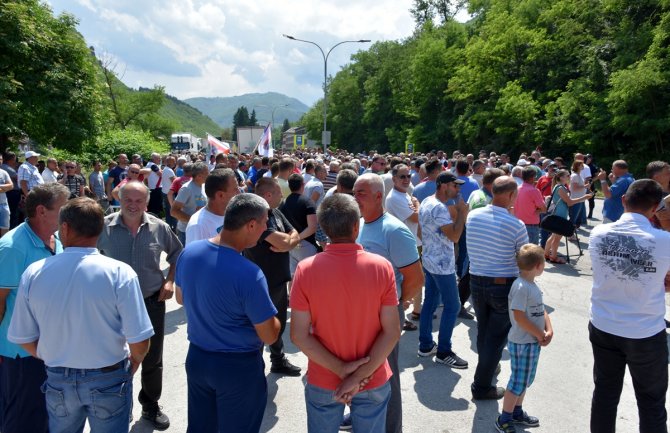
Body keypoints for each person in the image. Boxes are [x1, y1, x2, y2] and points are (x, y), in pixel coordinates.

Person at [7, 197, 153, 433]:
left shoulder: (34, 273)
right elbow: (140, 338)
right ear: (101, 229)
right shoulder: (120, 273)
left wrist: (50, 355)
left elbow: (22, 337)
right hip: (109, 377)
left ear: (64, 227)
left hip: (58, 379)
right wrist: (133, 363)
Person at [290, 194, 400, 433]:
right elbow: (392, 331)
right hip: (373, 376)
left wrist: (342, 371)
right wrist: (358, 376)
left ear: (324, 229)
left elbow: (299, 335)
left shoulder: (305, 269)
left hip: (324, 376)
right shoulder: (381, 267)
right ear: (356, 226)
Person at [175, 193, 280, 433]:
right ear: (251, 225)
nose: (266, 228)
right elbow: (269, 336)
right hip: (238, 367)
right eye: (265, 223)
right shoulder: (249, 273)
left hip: (198, 358)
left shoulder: (189, 253)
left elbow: (181, 298)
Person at [97, 181, 182, 430]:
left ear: (147, 202)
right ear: (119, 200)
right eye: (128, 200)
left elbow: (178, 255)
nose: (133, 205)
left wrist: (170, 281)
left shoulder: (160, 227)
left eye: (139, 201)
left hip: (151, 302)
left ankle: (150, 405)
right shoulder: (103, 227)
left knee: (152, 357)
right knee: (113, 356)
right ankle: (116, 406)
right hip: (112, 306)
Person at [588, 179, 670, 433]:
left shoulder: (598, 233)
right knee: (651, 401)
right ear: (655, 207)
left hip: (604, 324)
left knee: (605, 392)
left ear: (623, 200)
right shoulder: (664, 240)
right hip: (644, 330)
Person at [353, 173, 424, 433]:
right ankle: (363, 415)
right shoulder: (359, 223)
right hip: (360, 312)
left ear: (379, 196)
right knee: (362, 367)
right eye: (355, 192)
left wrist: (399, 303)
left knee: (386, 374)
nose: (355, 197)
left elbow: (416, 277)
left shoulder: (393, 229)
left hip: (384, 314)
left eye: (361, 193)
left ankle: (392, 428)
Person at [0, 182, 70, 433]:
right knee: (22, 419)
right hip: (20, 354)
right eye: (64, 208)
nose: (68, 213)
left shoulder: (57, 238)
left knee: (46, 416)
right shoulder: (12, 248)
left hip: (51, 349)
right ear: (42, 211)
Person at [466, 176, 528, 400]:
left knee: (484, 331)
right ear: (511, 195)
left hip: (477, 281)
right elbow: (524, 259)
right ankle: (481, 386)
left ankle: (487, 369)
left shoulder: (472, 215)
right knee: (496, 337)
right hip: (501, 284)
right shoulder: (516, 224)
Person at [243, 178, 301, 376]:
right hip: (261, 284)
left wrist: (288, 241)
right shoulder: (257, 219)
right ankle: (254, 369)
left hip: (278, 281)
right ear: (267, 195)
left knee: (278, 324)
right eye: (278, 193)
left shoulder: (275, 212)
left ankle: (278, 360)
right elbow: (286, 241)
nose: (282, 196)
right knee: (260, 328)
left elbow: (294, 234)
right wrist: (288, 242)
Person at [494, 244, 553, 433]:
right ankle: (504, 419)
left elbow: (541, 309)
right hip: (522, 342)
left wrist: (548, 329)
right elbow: (519, 316)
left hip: (533, 340)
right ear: (538, 265)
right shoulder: (521, 287)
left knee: (525, 379)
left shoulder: (532, 285)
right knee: (517, 382)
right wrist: (538, 333)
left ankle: (517, 412)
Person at [417, 172, 469, 368]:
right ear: (444, 185)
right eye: (455, 186)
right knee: (453, 306)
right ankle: (444, 352)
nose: (458, 190)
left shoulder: (427, 201)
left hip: (430, 259)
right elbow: (455, 237)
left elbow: (422, 232)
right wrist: (462, 213)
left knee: (430, 301)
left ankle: (425, 345)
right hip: (441, 264)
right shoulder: (438, 208)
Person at [543, 170, 593, 264]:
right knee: (557, 238)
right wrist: (584, 197)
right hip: (560, 215)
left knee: (553, 236)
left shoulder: (559, 187)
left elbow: (567, 201)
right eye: (567, 175)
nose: (569, 177)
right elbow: (569, 202)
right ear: (561, 177)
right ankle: (553, 257)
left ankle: (546, 254)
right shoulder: (560, 188)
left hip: (559, 214)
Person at [185, 168, 239, 244]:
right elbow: (194, 255)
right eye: (235, 189)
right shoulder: (198, 226)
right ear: (220, 195)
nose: (239, 192)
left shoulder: (232, 214)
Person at [279, 174, 318, 275]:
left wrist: (292, 239)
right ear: (303, 184)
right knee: (308, 276)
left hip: (290, 245)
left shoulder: (283, 203)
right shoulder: (307, 202)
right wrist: (298, 238)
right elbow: (312, 227)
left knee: (293, 276)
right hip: (306, 244)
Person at [172, 162, 209, 246]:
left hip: (199, 230)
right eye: (207, 173)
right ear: (199, 176)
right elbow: (174, 211)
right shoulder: (186, 189)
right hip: (186, 231)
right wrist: (193, 220)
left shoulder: (203, 186)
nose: (209, 175)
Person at [514, 167, 547, 245]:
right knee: (531, 253)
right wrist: (537, 210)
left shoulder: (517, 188)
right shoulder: (534, 191)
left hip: (518, 224)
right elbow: (544, 209)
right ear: (533, 178)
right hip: (531, 226)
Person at [1, 152, 22, 229]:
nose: (15, 161)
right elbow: (18, 179)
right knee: (13, 213)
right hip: (12, 193)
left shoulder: (3, 168)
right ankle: (12, 228)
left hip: (7, 193)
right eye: (14, 159)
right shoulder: (8, 169)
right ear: (11, 159)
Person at [568, 159, 589, 228]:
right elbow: (575, 188)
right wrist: (585, 186)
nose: (583, 166)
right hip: (575, 200)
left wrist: (585, 186)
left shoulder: (578, 175)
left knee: (576, 219)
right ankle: (570, 234)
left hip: (580, 199)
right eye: (581, 165)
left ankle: (572, 232)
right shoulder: (575, 176)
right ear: (577, 166)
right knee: (573, 218)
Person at [0, 161, 13, 237]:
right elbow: (8, 186)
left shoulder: (3, 173)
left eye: (1, 159)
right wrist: (5, 188)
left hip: (3, 205)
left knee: (5, 228)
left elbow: (11, 186)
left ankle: (2, 247)